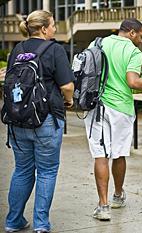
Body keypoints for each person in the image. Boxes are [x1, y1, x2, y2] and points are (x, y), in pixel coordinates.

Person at [84, 18, 142, 221]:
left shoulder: (97, 43)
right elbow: (133, 82)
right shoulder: (133, 52)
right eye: (140, 35)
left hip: (95, 106)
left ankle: (103, 206)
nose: (141, 40)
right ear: (131, 32)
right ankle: (117, 195)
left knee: (100, 156)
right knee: (119, 154)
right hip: (121, 109)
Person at [4, 10, 74, 233]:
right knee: (47, 171)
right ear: (44, 28)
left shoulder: (18, 49)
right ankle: (41, 225)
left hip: (17, 120)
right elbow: (67, 86)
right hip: (46, 120)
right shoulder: (55, 50)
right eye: (53, 25)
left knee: (22, 170)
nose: (54, 28)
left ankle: (13, 221)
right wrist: (69, 101)